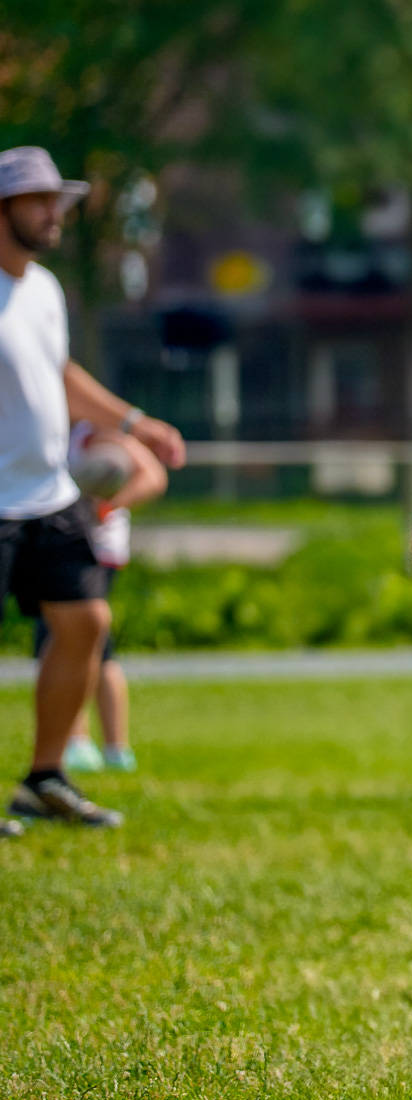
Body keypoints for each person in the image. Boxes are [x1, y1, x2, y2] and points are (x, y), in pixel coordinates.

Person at [0, 145, 185, 838]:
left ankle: (44, 779)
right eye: (40, 201)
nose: (56, 213)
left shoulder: (43, 289)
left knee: (86, 623)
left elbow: (60, 375)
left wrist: (135, 423)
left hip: (49, 494)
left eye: (59, 201)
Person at [34, 421, 167, 772]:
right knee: (93, 646)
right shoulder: (52, 432)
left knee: (70, 642)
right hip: (72, 548)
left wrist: (106, 506)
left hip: (91, 550)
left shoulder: (95, 433)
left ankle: (83, 743)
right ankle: (107, 747)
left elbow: (153, 477)